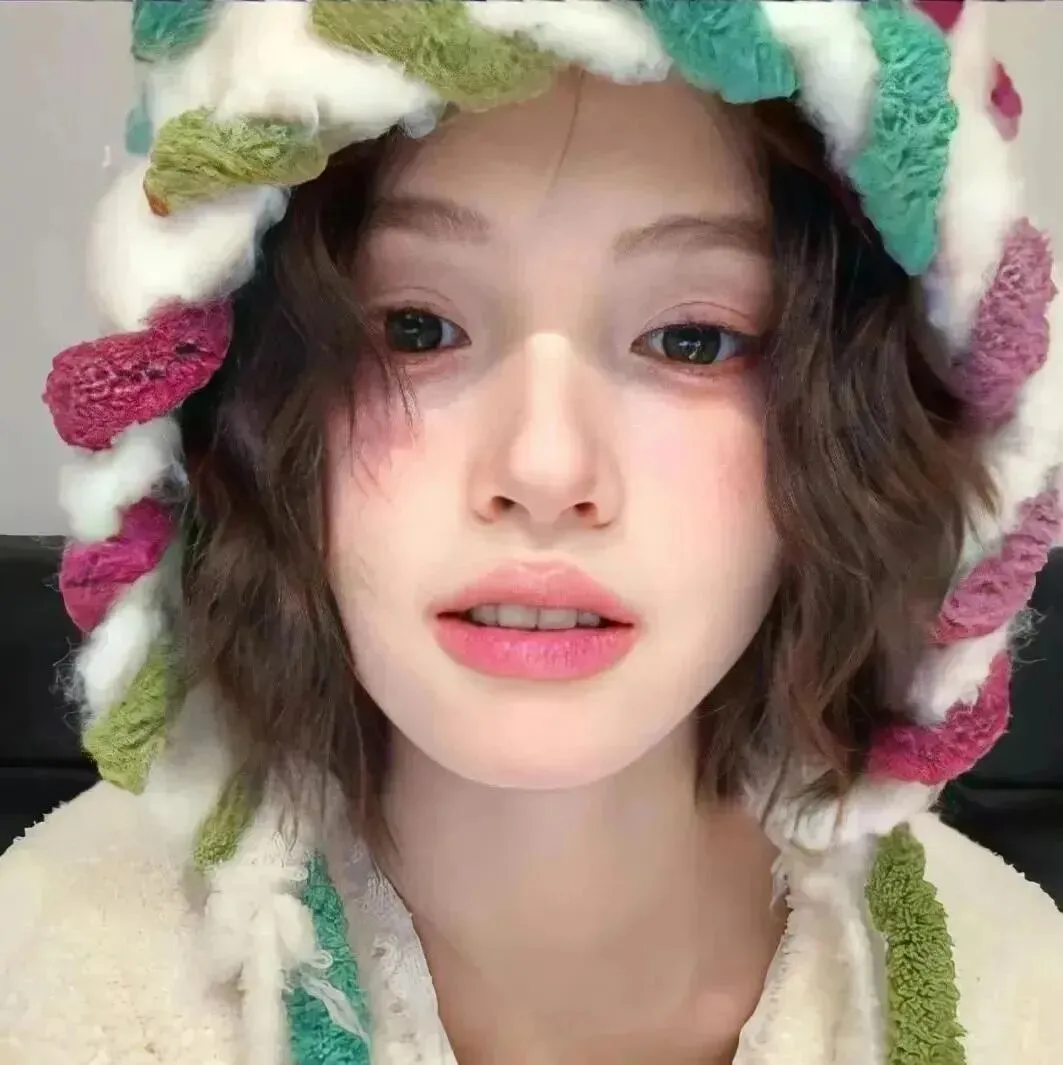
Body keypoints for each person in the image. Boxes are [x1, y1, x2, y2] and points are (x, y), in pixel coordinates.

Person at [2, 2, 1062, 1063]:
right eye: (415, 328)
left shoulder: (1022, 1004)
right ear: (237, 406)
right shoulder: (40, 980)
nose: (545, 471)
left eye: (691, 340)